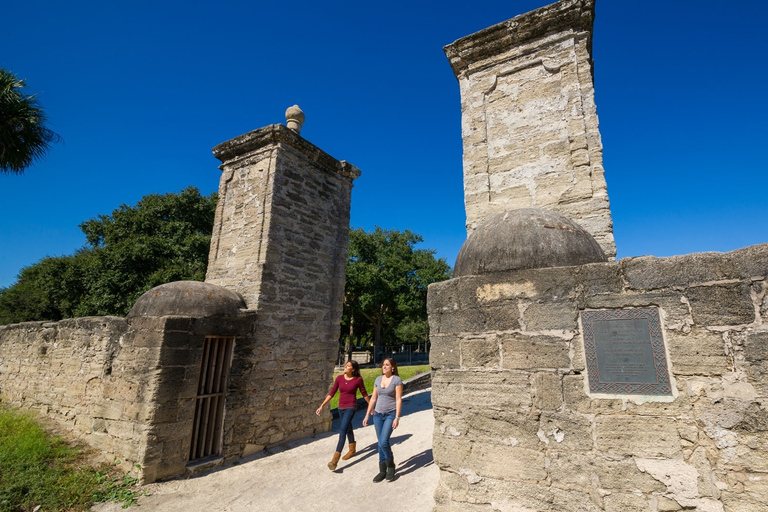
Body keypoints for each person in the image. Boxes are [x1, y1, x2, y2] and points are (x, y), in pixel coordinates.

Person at [316, 360, 370, 471]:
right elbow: (332, 393)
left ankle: (334, 460)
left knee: (342, 431)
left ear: (353, 369)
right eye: (346, 364)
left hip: (351, 407)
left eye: (348, 366)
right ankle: (352, 450)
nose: (345, 366)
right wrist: (322, 405)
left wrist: (371, 406)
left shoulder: (358, 380)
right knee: (348, 427)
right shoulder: (339, 378)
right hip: (341, 408)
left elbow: (364, 393)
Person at [362, 357, 403, 482]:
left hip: (390, 414)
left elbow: (398, 399)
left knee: (384, 442)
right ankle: (382, 470)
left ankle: (390, 465)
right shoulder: (378, 379)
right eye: (383, 365)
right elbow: (373, 398)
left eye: (387, 365)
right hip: (378, 415)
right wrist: (367, 414)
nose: (384, 367)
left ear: (393, 367)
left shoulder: (396, 380)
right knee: (380, 443)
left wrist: (397, 417)